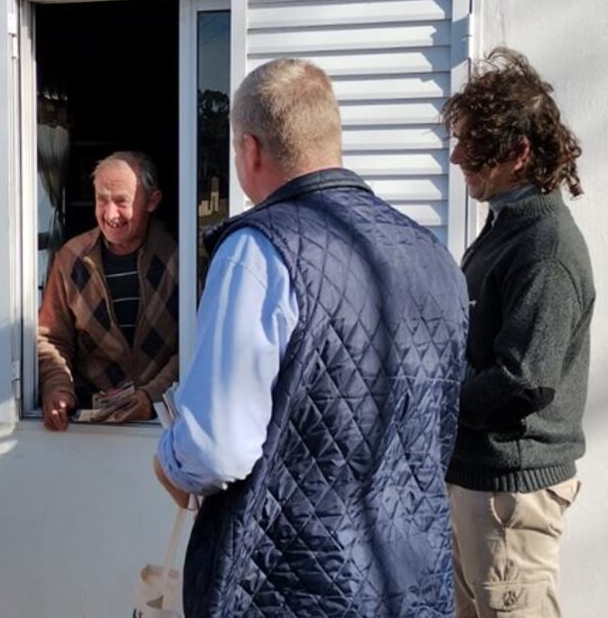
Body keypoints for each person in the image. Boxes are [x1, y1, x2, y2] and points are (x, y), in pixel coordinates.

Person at [153, 58, 469, 617]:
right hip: (413, 580)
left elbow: (216, 449)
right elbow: (439, 429)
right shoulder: (432, 255)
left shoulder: (257, 250)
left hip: (287, 587)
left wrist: (169, 460)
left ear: (249, 150)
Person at [442, 48, 594, 618]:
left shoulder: (546, 248)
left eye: (472, 145)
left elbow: (522, 381)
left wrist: (442, 397)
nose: (457, 155)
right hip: (485, 484)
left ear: (519, 153)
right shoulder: (507, 227)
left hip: (509, 495)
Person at [38, 151, 178, 430]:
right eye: (102, 200)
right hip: (92, 428)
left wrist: (153, 396)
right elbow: (52, 338)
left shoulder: (180, 256)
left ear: (153, 201)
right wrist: (57, 386)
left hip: (164, 423)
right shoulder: (71, 258)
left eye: (121, 201)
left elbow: (198, 344)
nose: (110, 214)